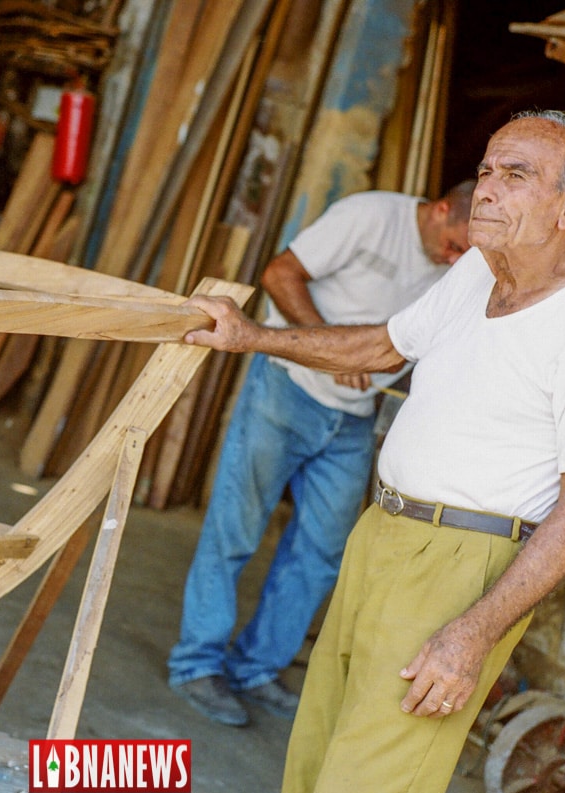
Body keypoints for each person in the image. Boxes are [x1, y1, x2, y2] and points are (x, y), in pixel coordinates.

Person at [182, 110, 565, 793]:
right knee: (316, 754)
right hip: (384, 533)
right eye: (488, 170)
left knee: (372, 778)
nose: (488, 188)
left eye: (516, 175)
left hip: (462, 566)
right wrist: (249, 337)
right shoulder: (474, 273)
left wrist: (474, 633)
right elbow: (381, 347)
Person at [168, 180, 476, 727]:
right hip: (287, 391)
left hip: (355, 419)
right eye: (454, 244)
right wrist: (328, 349)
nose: (455, 259)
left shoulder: (463, 266)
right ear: (442, 209)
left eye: (465, 254)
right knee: (235, 529)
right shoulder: (369, 216)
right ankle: (196, 665)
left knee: (321, 551)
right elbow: (278, 274)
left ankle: (255, 667)